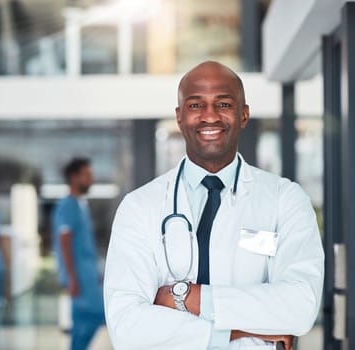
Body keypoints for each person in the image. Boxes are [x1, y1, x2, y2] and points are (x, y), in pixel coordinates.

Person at [104, 61, 324, 350]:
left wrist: (186, 297)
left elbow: (300, 306)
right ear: (179, 117)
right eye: (195, 106)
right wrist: (231, 333)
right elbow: (127, 327)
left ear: (243, 114)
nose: (210, 116)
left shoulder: (286, 199)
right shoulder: (139, 207)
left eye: (223, 103)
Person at [52, 158, 105, 350]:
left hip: (87, 274)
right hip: (80, 277)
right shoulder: (68, 205)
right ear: (74, 177)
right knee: (96, 316)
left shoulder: (80, 204)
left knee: (82, 322)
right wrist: (71, 277)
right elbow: (64, 242)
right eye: (87, 175)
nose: (92, 179)